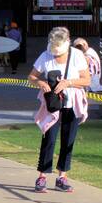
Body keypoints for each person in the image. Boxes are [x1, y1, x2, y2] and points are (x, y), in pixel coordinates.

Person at [29, 26, 91, 193]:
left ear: (67, 43)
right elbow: (32, 76)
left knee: (68, 141)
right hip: (53, 104)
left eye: (59, 51)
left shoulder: (77, 55)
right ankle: (42, 176)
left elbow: (86, 80)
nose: (56, 54)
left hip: (72, 104)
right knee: (49, 139)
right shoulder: (45, 55)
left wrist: (68, 82)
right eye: (54, 50)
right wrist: (40, 82)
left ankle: (62, 177)